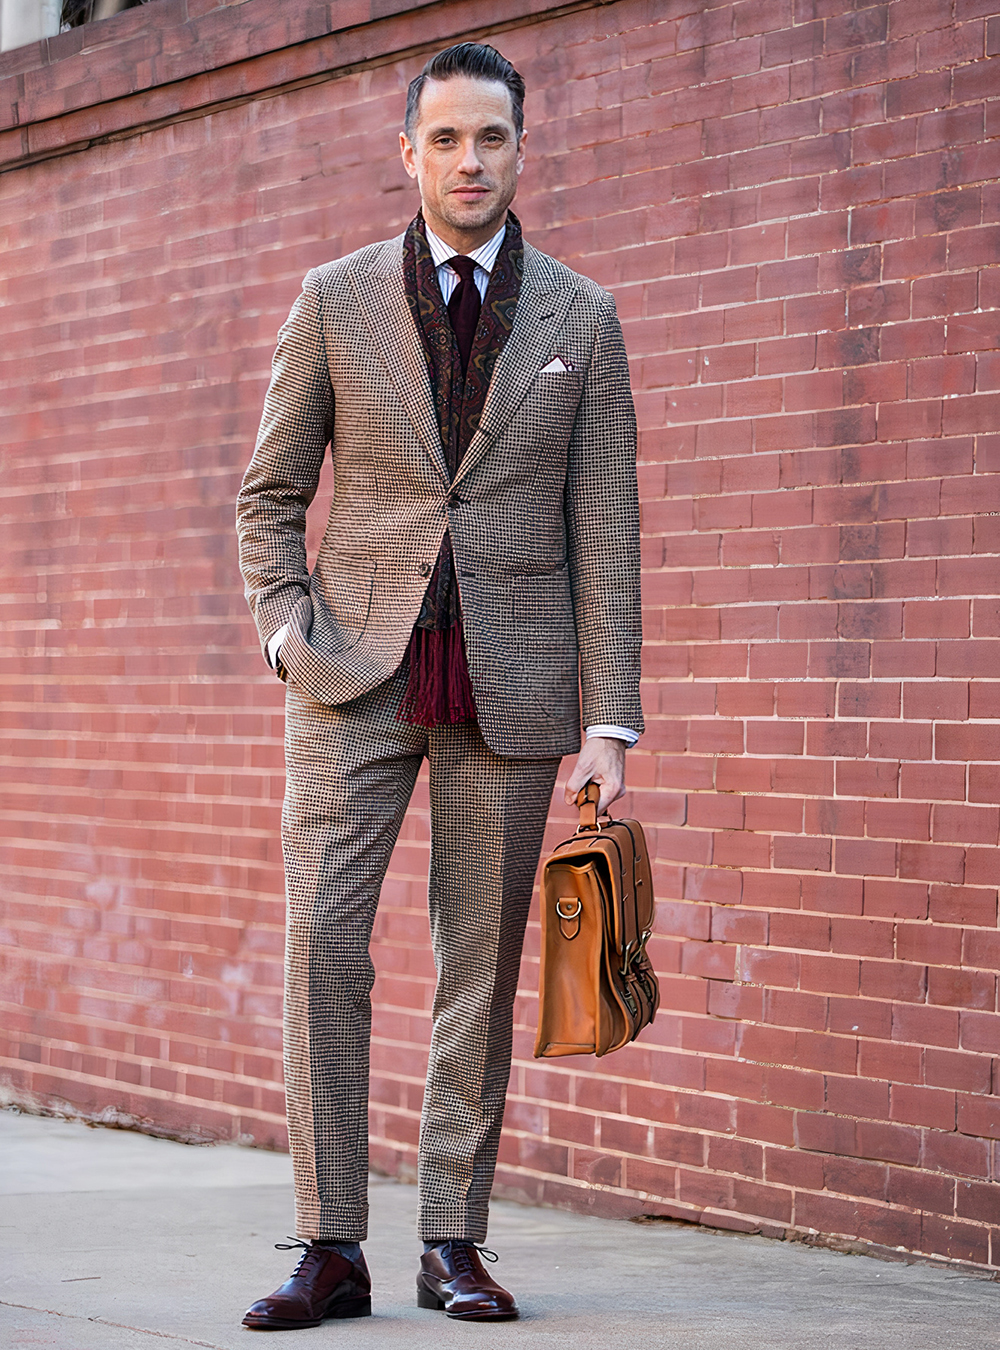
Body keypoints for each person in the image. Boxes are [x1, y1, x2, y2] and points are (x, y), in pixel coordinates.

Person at [235, 41, 642, 1330]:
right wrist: (288, 634)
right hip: (353, 678)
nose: (472, 162)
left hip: (512, 695)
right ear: (407, 152)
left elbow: (606, 530)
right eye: (448, 140)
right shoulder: (337, 297)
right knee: (325, 954)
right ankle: (329, 1241)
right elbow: (269, 494)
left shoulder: (580, 317)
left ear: (522, 152)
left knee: (480, 966)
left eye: (494, 141)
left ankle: (453, 1240)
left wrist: (609, 716)